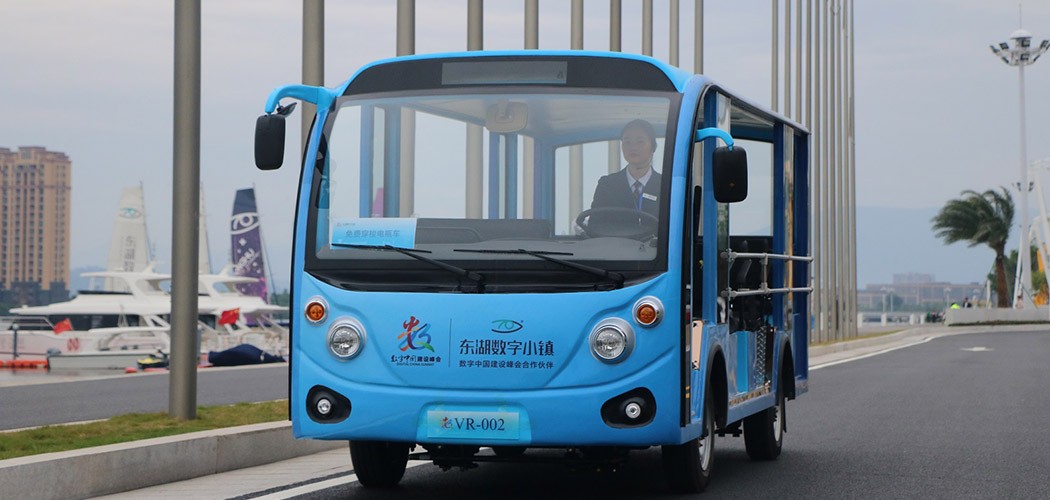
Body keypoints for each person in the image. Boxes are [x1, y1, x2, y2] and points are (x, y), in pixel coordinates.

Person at [589, 119, 662, 217]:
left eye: (640, 142)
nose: (633, 147)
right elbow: (596, 222)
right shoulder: (607, 185)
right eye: (627, 142)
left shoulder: (665, 185)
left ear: (653, 147)